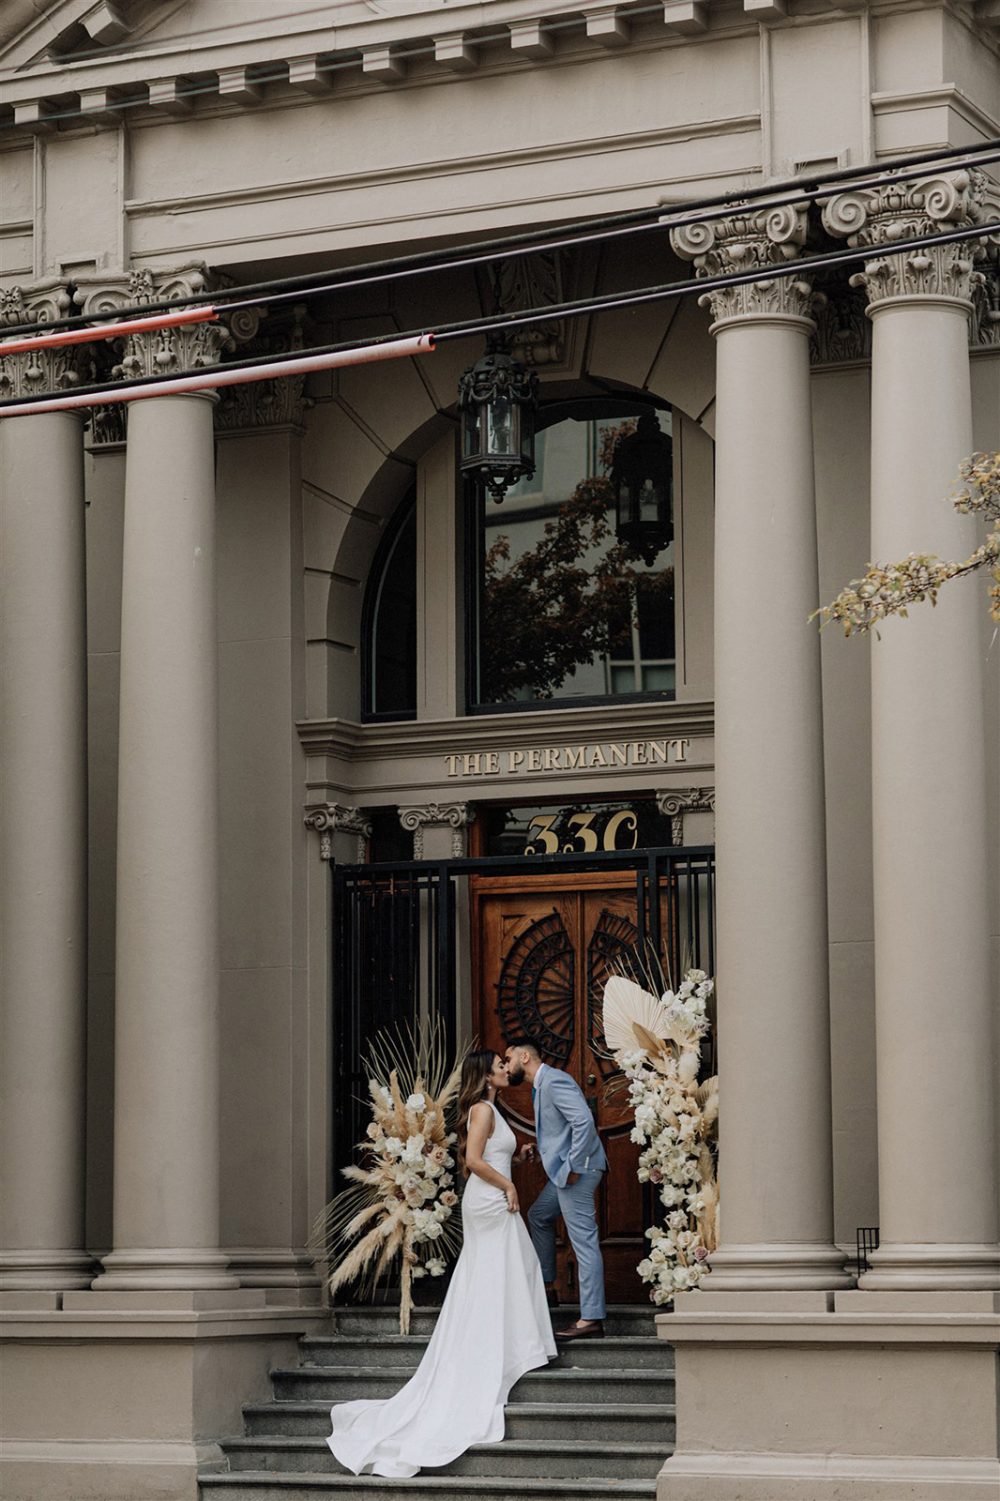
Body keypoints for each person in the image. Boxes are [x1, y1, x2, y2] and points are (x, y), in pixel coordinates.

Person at [326, 1049, 555, 1477]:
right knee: (501, 1270)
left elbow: (488, 1157)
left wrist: (517, 1160)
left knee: (503, 1272)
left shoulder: (490, 1109)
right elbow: (472, 1161)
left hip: (489, 1199)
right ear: (486, 1075)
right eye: (501, 1065)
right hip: (489, 1203)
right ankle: (499, 1349)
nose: (509, 1068)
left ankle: (507, 1343)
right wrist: (508, 1184)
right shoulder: (484, 1110)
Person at [505, 1036, 608, 1342]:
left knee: (583, 1241)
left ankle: (591, 1317)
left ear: (524, 1057)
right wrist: (548, 1150)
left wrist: (573, 1165)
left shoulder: (553, 1081)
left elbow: (583, 1122)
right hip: (566, 1170)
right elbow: (563, 1127)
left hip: (578, 1171)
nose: (506, 1065)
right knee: (539, 1215)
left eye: (508, 1058)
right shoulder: (541, 1085)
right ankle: (548, 1288)